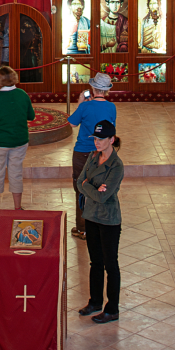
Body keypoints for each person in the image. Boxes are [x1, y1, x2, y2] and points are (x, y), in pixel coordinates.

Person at [76, 120, 125, 324]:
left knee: (110, 264)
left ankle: (112, 308)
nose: (96, 142)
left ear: (111, 140)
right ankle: (95, 301)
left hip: (108, 220)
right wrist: (93, 188)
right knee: (95, 262)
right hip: (91, 216)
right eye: (95, 138)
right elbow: (79, 182)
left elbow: (104, 197)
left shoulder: (117, 165)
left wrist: (90, 187)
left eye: (101, 139)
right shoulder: (93, 156)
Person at [0, 65, 35, 221]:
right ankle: (17, 209)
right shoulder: (22, 95)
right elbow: (31, 116)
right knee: (16, 173)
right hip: (19, 141)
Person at [67, 73, 117, 238]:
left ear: (92, 88)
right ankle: (99, 226)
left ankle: (83, 228)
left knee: (81, 187)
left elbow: (72, 123)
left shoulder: (85, 106)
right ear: (107, 91)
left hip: (82, 152)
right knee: (100, 188)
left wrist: (80, 104)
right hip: (101, 153)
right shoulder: (111, 107)